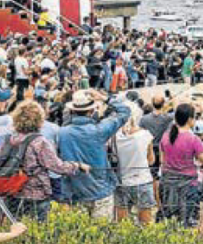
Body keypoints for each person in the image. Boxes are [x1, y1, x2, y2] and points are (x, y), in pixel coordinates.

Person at [56, 86, 130, 219]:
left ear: (72, 110)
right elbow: (124, 112)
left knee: (79, 234)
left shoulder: (61, 133)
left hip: (74, 191)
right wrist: (105, 98)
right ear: (91, 111)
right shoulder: (100, 130)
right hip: (100, 189)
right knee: (101, 234)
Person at [160, 102, 203, 228]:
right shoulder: (193, 139)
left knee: (169, 219)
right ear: (190, 119)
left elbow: (162, 161)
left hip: (167, 182)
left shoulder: (165, 136)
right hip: (187, 184)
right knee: (186, 219)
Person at [112, 106, 157, 225]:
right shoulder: (145, 135)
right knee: (145, 224)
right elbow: (151, 160)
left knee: (121, 224)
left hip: (122, 181)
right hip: (142, 181)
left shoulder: (114, 137)